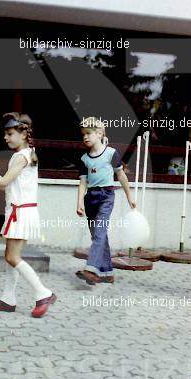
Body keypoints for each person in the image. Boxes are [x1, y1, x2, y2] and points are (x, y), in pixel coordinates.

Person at [0, 112, 57, 318]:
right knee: (10, 256)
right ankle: (8, 299)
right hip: (18, 210)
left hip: (21, 213)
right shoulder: (24, 154)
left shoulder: (22, 156)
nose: (6, 137)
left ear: (23, 134)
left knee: (12, 257)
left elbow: (3, 182)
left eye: (10, 133)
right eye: (5, 134)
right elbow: (9, 186)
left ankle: (43, 292)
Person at [74, 117, 136, 285]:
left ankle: (91, 269)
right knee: (99, 236)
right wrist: (79, 202)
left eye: (88, 133)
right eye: (83, 134)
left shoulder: (111, 153)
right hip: (90, 199)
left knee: (99, 233)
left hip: (106, 196)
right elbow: (82, 183)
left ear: (99, 133)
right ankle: (107, 273)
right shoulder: (84, 159)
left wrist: (130, 196)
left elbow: (121, 176)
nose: (85, 137)